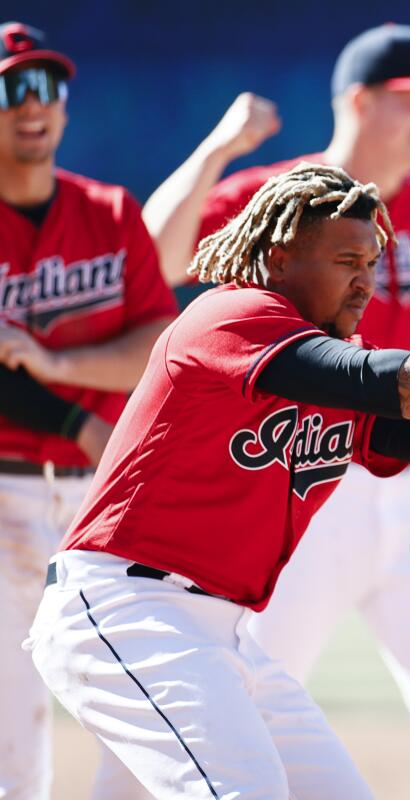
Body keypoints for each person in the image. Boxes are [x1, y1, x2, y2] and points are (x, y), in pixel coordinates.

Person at [24, 162, 410, 799]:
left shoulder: (329, 358)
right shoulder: (230, 317)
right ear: (279, 257)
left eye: (372, 263)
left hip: (222, 630)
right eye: (347, 260)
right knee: (246, 789)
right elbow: (370, 379)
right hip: (126, 608)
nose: (365, 283)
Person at [129, 24, 410, 800]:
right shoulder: (280, 200)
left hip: (407, 482)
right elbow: (155, 257)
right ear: (360, 101)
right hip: (305, 486)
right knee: (254, 703)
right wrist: (217, 153)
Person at [0, 21, 178, 799]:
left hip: (105, 502)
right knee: (13, 728)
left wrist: (61, 364)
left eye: (46, 86)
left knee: (138, 708)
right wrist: (77, 417)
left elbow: (156, 340)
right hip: (5, 490)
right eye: (11, 87)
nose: (32, 104)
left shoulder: (108, 211)